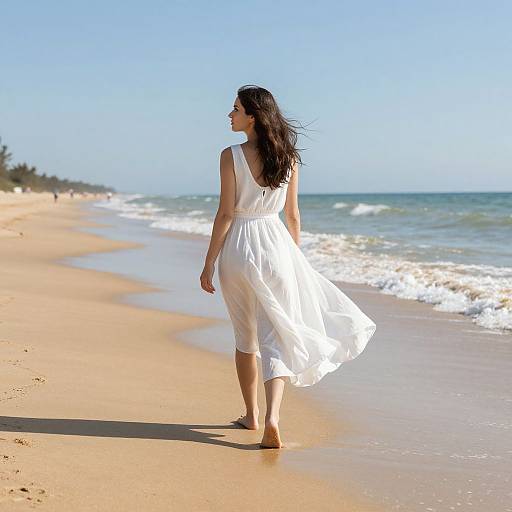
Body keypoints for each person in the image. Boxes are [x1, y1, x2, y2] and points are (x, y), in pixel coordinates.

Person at [200, 85, 376, 449]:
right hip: (277, 245)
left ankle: (250, 415)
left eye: (234, 109)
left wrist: (208, 262)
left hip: (239, 245)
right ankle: (272, 419)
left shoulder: (230, 155)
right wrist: (294, 259)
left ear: (252, 116)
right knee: (276, 333)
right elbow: (292, 215)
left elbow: (226, 213)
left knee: (244, 338)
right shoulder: (289, 157)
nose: (229, 115)